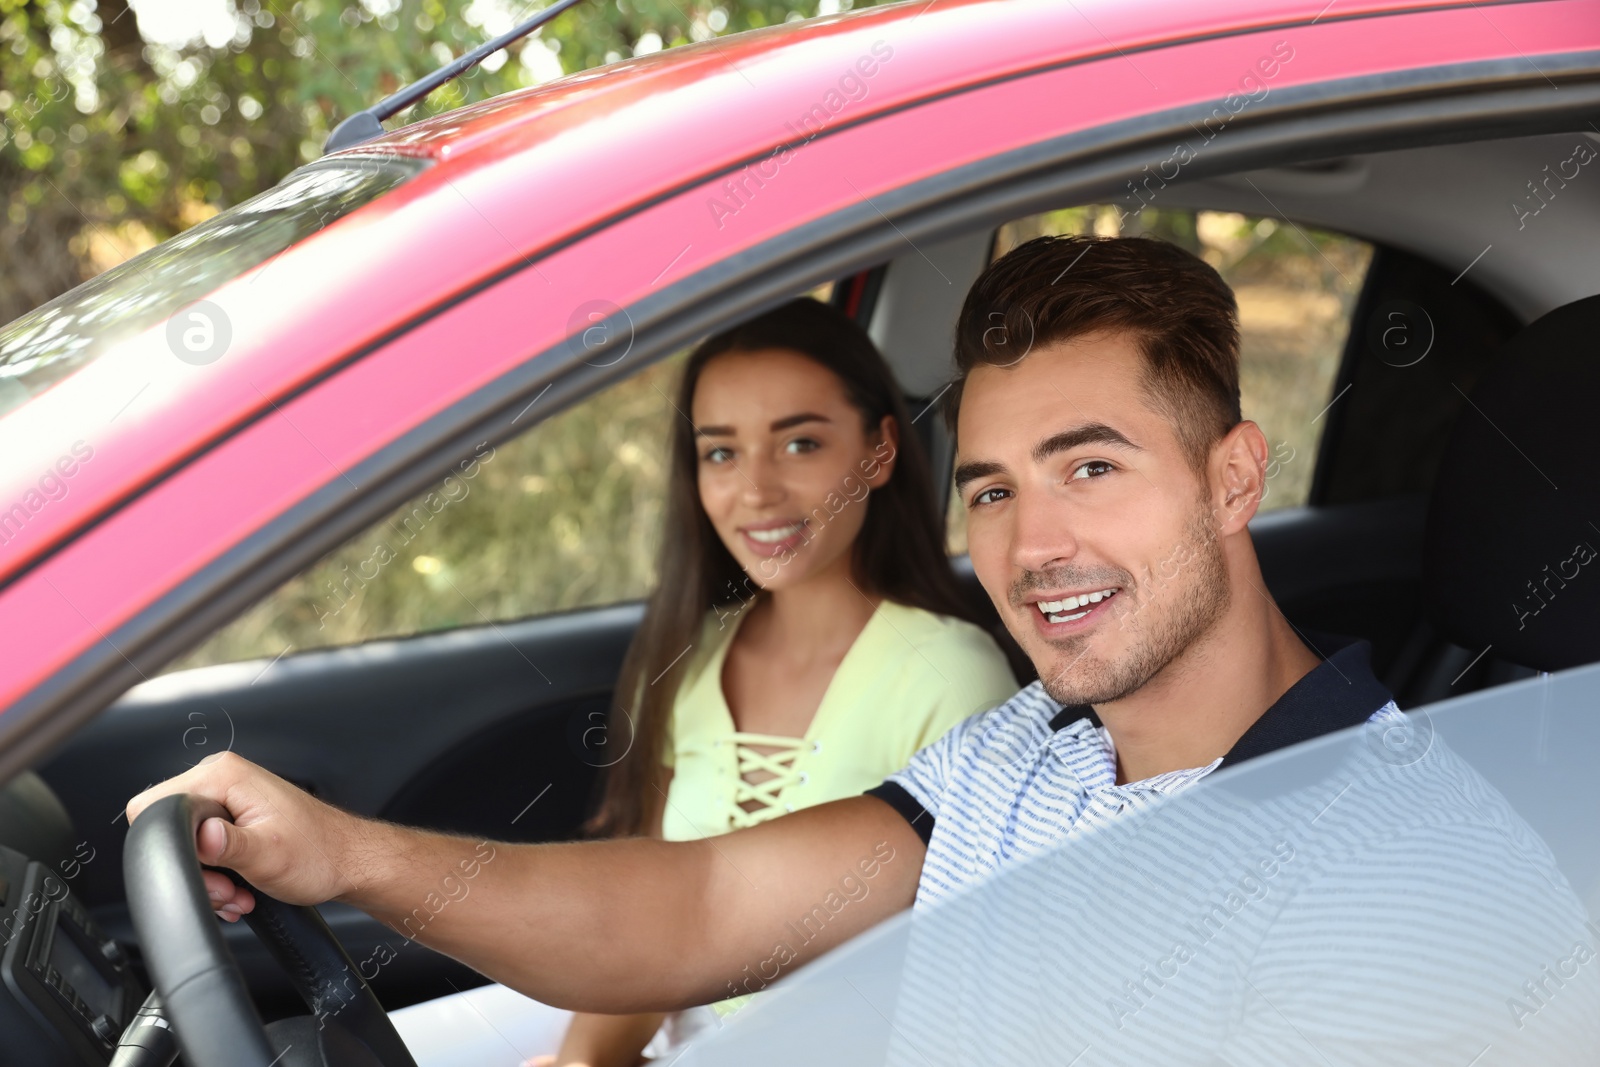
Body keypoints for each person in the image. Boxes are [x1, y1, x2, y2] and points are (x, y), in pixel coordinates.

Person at [128, 236, 1597, 1063]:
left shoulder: (1410, 876)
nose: (1032, 550)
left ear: (1231, 478)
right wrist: (351, 854)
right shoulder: (1033, 747)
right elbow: (700, 902)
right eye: (994, 489)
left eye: (1094, 468)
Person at [359, 298, 1021, 1066]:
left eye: (800, 443)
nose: (757, 491)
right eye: (720, 453)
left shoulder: (954, 677)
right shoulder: (690, 655)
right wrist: (585, 1061)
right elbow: (660, 924)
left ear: (878, 451)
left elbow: (960, 993)